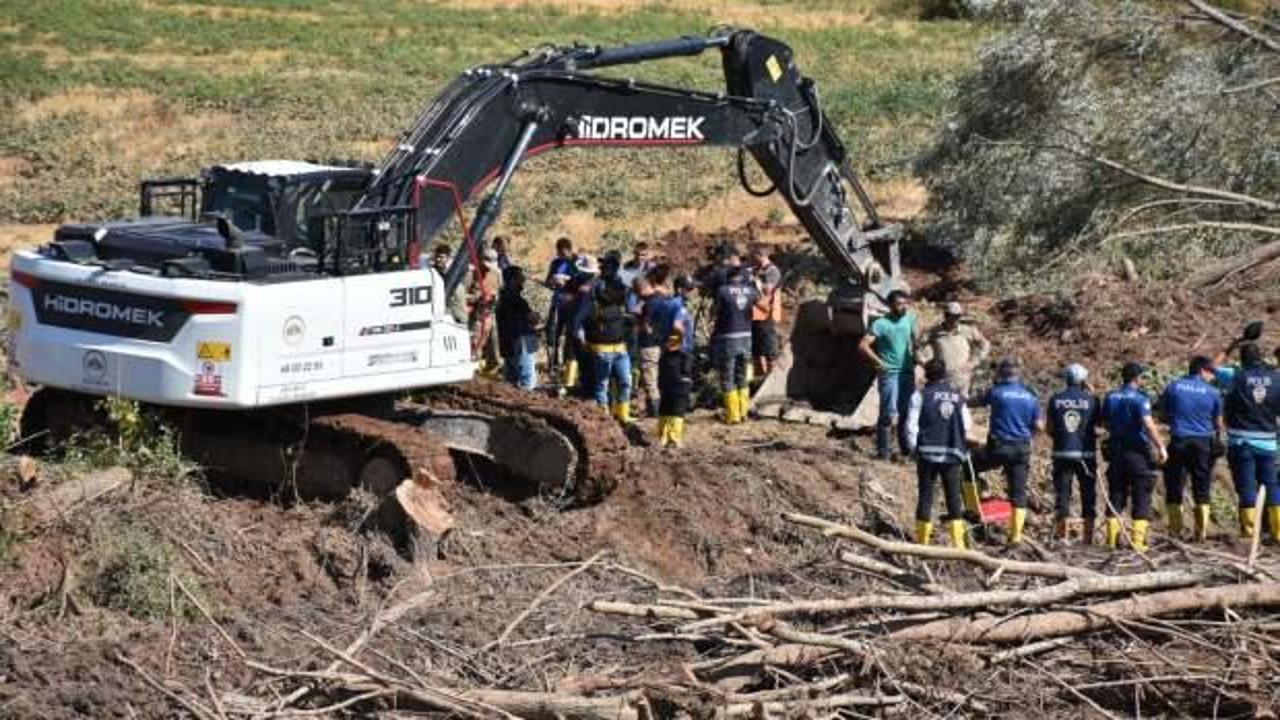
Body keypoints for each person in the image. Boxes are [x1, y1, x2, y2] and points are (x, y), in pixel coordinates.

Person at [905, 359, 973, 548]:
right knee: (953, 498)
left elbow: (911, 425)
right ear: (944, 375)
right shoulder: (958, 397)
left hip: (927, 453)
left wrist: (913, 448)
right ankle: (958, 545)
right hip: (952, 453)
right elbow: (967, 425)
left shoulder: (920, 395)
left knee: (926, 496)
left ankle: (922, 543)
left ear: (926, 375)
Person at [1100, 362, 1168, 551]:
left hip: (1115, 452)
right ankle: (1138, 543)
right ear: (1137, 378)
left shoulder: (1111, 397)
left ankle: (1111, 542)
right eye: (1142, 377)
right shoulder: (1140, 399)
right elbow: (1147, 424)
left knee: (1116, 494)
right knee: (1141, 495)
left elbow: (1104, 422)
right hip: (1137, 452)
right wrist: (1161, 446)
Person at [1217, 341, 1280, 539]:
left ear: (1242, 360)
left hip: (1242, 443)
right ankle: (1278, 532)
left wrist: (1230, 346)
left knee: (1247, 486)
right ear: (1261, 357)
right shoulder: (1276, 378)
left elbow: (1210, 368)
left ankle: (1250, 532)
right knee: (1271, 485)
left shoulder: (1235, 375)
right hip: (1268, 442)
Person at [975, 358, 1042, 544]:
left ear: (1001, 374)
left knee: (967, 465)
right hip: (1021, 448)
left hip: (998, 447)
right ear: (1018, 373)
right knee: (1019, 492)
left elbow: (976, 401)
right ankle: (1015, 537)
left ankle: (973, 509)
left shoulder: (996, 392)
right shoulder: (1031, 395)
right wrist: (1029, 437)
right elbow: (1039, 426)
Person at [1159, 356, 1225, 541]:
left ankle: (1175, 531)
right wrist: (1219, 439)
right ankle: (1201, 533)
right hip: (1203, 444)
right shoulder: (1213, 392)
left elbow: (1162, 413)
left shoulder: (1174, 386)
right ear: (1202, 370)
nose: (1213, 375)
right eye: (1211, 371)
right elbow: (1218, 423)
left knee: (1174, 486)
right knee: (1202, 487)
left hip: (1179, 441)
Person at [860, 291, 918, 460]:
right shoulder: (881, 324)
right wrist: (879, 362)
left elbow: (914, 339)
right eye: (899, 303)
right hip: (890, 374)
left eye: (905, 303)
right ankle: (883, 451)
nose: (904, 306)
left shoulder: (909, 318)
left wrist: (915, 354)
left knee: (905, 411)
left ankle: (905, 448)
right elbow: (863, 345)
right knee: (887, 413)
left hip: (907, 373)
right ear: (890, 305)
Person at [1046, 363, 1100, 543]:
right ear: (1083, 380)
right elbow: (1099, 425)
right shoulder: (1092, 400)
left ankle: (1062, 537)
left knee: (1062, 495)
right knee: (1088, 494)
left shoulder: (1055, 399)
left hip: (1061, 453)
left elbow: (1049, 428)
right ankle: (1088, 539)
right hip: (1086, 455)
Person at [710, 258, 758, 425]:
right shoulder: (751, 290)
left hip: (728, 337)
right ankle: (743, 411)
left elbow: (714, 312)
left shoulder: (723, 291)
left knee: (728, 375)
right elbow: (764, 306)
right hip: (746, 336)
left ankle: (733, 415)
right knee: (742, 374)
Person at [579, 279, 634, 423]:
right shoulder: (593, 307)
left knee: (625, 381)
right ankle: (605, 417)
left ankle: (622, 414)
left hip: (621, 350)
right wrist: (585, 343)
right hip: (602, 351)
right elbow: (579, 326)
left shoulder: (618, 306)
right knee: (602, 384)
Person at [653, 274, 697, 448]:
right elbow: (677, 329)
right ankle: (675, 437)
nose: (693, 292)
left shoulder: (665, 304)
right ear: (680, 289)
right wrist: (679, 352)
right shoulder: (680, 307)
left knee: (667, 394)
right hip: (677, 355)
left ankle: (663, 434)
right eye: (690, 289)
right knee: (679, 395)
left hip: (666, 354)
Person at [919, 302, 990, 396]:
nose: (954, 319)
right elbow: (917, 346)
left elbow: (985, 344)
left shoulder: (968, 330)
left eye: (957, 316)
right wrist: (925, 363)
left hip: (962, 378)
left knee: (961, 407)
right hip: (941, 378)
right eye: (950, 315)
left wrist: (973, 362)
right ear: (945, 315)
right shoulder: (934, 332)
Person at [495, 266, 539, 390]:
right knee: (527, 381)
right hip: (521, 343)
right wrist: (536, 317)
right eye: (520, 277)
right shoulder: (517, 300)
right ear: (513, 280)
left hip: (507, 343)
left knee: (510, 382)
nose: (523, 280)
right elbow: (532, 319)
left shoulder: (502, 298)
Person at [636, 265, 670, 417]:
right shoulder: (665, 299)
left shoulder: (650, 303)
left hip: (649, 343)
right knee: (658, 376)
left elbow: (647, 326)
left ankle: (654, 411)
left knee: (650, 378)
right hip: (663, 343)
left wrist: (637, 322)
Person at [544, 237, 576, 385]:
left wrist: (567, 282)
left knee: (570, 335)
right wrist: (552, 282)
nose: (560, 255)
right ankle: (554, 363)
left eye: (562, 252)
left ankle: (567, 364)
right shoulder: (555, 263)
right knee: (553, 332)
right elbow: (547, 281)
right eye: (558, 252)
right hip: (557, 302)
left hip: (571, 304)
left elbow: (580, 281)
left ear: (569, 250)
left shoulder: (577, 262)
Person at [748, 245, 783, 381]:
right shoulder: (756, 270)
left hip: (767, 315)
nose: (752, 260)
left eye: (754, 257)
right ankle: (760, 379)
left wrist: (755, 283)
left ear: (760, 256)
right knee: (757, 350)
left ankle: (772, 380)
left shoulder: (772, 271)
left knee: (769, 350)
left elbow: (768, 290)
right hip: (755, 315)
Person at [433, 243, 467, 324]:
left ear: (448, 258)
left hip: (457, 308)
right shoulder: (433, 272)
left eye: (441, 257)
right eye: (437, 257)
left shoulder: (455, 272)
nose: (438, 259)